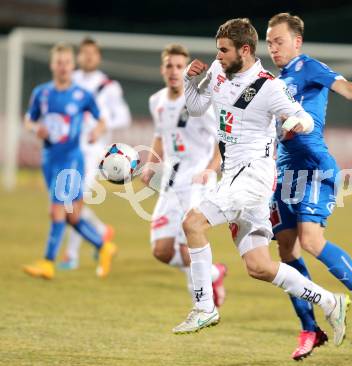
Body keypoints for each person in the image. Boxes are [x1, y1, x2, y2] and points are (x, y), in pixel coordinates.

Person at [172, 18, 351, 351]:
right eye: (217, 50)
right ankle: (329, 301)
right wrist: (190, 80)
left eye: (225, 50)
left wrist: (295, 121)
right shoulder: (218, 70)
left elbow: (305, 118)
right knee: (259, 266)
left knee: (192, 222)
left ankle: (204, 306)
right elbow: (196, 108)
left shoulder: (267, 86)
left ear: (245, 49)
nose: (219, 56)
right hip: (233, 176)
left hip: (253, 177)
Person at [266, 13, 352, 360]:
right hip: (284, 173)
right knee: (286, 252)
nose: (273, 48)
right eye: (269, 42)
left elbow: (345, 88)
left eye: (278, 41)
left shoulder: (309, 67)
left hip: (314, 167)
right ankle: (310, 329)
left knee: (311, 240)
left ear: (296, 41)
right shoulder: (273, 81)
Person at [141, 44, 227, 307]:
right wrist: (150, 164)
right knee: (161, 251)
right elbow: (160, 135)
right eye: (170, 65)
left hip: (197, 181)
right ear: (162, 69)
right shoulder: (156, 101)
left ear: (188, 69)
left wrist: (209, 171)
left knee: (186, 245)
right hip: (171, 182)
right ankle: (214, 273)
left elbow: (222, 143)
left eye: (180, 66)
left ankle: (203, 305)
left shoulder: (200, 103)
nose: (174, 71)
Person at [22, 43, 117, 279]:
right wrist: (35, 128)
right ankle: (103, 246)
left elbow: (102, 119)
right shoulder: (42, 93)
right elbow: (28, 119)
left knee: (57, 210)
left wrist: (97, 131)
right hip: (49, 159)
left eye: (67, 62)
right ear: (52, 65)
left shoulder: (83, 95)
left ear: (72, 65)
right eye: (59, 62)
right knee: (73, 215)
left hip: (72, 160)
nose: (63, 67)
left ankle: (47, 262)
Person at [59, 37, 132, 270]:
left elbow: (124, 116)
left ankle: (71, 256)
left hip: (93, 153)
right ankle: (101, 231)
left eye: (93, 53)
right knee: (65, 201)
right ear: (78, 56)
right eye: (84, 52)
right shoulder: (70, 81)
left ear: (98, 57)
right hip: (69, 149)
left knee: (73, 202)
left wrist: (100, 121)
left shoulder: (108, 86)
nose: (88, 57)